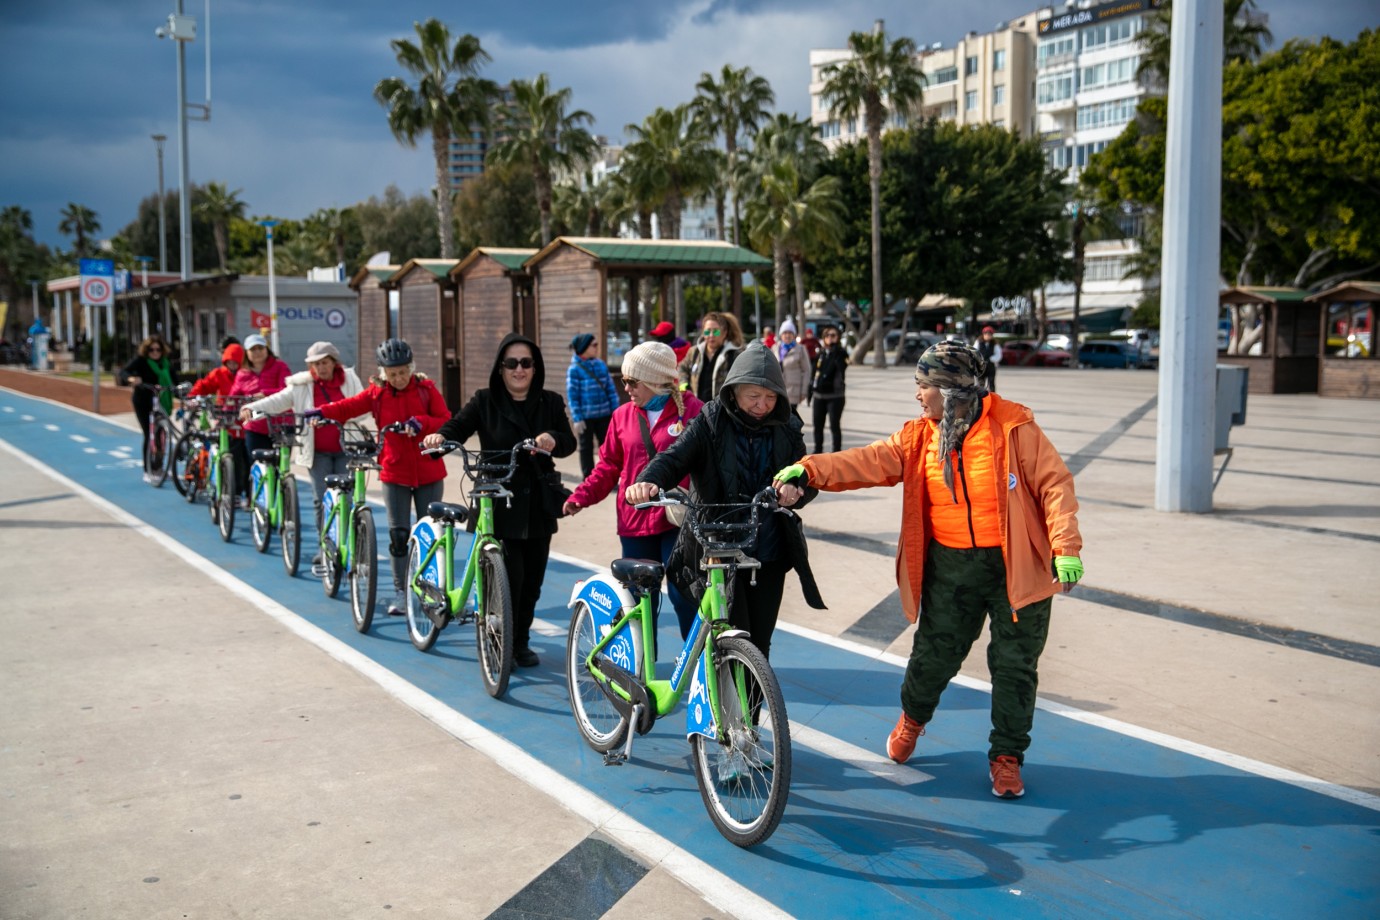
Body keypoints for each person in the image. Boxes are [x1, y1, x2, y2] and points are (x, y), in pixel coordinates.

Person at [774, 341, 1084, 800]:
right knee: (934, 657)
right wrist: (809, 469)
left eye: (923, 385)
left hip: (1018, 567)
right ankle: (913, 718)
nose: (918, 395)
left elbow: (1054, 483)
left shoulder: (1014, 427)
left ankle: (1007, 757)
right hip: (952, 566)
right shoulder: (920, 436)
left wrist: (1065, 546)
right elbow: (868, 460)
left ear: (949, 387)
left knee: (1016, 667)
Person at [626, 342, 825, 662]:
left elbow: (806, 471)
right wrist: (648, 481)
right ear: (734, 391)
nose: (763, 405)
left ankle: (753, 712)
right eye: (753, 397)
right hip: (717, 546)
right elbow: (674, 458)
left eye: (771, 397)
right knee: (733, 634)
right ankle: (726, 708)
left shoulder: (787, 425)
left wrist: (796, 487)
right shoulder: (711, 419)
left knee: (759, 645)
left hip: (769, 550)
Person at [423, 334, 576, 668]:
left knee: (533, 580)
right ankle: (500, 637)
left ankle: (519, 641)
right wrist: (441, 437)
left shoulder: (550, 402)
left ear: (535, 368)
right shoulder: (484, 400)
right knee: (511, 578)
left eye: (526, 363)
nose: (519, 370)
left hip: (537, 500)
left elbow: (569, 443)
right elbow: (457, 427)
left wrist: (553, 439)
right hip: (496, 499)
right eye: (512, 364)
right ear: (501, 368)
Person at [563, 342, 705, 640]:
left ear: (654, 380)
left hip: (677, 520)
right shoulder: (622, 416)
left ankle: (699, 671)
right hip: (635, 522)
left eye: (631, 381)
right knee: (640, 603)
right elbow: (608, 466)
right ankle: (641, 672)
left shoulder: (694, 411)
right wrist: (581, 497)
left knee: (685, 596)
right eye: (623, 380)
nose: (624, 387)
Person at [311, 339, 450, 616]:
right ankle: (401, 592)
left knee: (431, 536)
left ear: (411, 368)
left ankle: (433, 590)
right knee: (399, 536)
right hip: (394, 472)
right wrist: (321, 412)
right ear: (383, 373)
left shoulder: (426, 389)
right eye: (392, 373)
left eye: (402, 372)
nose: (398, 378)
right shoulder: (377, 394)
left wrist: (421, 422)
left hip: (429, 472)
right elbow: (348, 406)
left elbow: (446, 418)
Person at [239, 341, 366, 563]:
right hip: (317, 452)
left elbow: (363, 406)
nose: (321, 368)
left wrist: (339, 415)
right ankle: (325, 545)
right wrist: (253, 408)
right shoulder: (302, 385)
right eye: (316, 364)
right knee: (322, 499)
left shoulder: (350, 379)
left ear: (334, 363)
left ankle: (347, 544)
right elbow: (278, 400)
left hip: (347, 448)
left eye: (325, 362)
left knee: (346, 500)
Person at [188, 342, 250, 502]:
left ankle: (245, 491)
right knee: (232, 455)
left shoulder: (246, 374)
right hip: (227, 420)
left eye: (236, 362)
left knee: (246, 459)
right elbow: (204, 385)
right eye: (229, 362)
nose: (233, 365)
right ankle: (232, 490)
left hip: (246, 421)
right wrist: (193, 396)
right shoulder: (219, 374)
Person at [116, 334, 178, 475]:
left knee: (161, 434)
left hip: (162, 401)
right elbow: (123, 372)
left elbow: (175, 381)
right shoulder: (141, 361)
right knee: (149, 433)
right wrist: (131, 378)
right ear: (146, 350)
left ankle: (159, 466)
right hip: (143, 401)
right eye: (151, 350)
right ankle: (148, 469)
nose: (155, 353)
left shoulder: (165, 363)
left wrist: (183, 392)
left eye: (158, 350)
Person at [565, 332, 621, 479]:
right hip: (585, 418)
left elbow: (611, 390)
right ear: (584, 347)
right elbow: (573, 396)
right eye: (594, 345)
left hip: (604, 415)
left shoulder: (601, 365)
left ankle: (609, 477)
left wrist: (616, 413)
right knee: (586, 449)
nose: (597, 347)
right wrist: (577, 418)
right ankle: (589, 479)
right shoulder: (574, 369)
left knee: (607, 448)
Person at [228, 333, 292, 460]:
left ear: (266, 349)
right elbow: (233, 397)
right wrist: (225, 412)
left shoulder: (280, 366)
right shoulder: (242, 373)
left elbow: (288, 390)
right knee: (258, 466)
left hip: (282, 424)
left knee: (281, 468)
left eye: (260, 348)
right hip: (254, 427)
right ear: (246, 353)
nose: (257, 352)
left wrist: (265, 394)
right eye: (253, 349)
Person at [679, 311, 743, 405]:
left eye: (716, 331)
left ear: (724, 333)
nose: (711, 335)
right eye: (707, 331)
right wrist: (683, 384)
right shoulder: (694, 352)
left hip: (721, 412)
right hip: (696, 410)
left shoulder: (734, 355)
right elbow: (682, 368)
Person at [809, 323, 848, 453]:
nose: (830, 338)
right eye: (827, 335)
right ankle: (817, 451)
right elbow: (814, 373)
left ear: (838, 337)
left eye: (833, 335)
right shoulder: (821, 353)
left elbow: (843, 367)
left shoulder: (841, 353)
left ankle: (837, 453)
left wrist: (836, 350)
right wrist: (810, 391)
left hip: (835, 396)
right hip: (819, 396)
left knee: (834, 426)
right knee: (817, 426)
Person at [772, 318, 810, 415]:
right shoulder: (775, 348)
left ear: (794, 335)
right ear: (781, 335)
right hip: (777, 390)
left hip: (793, 390)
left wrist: (804, 392)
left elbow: (806, 371)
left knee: (790, 418)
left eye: (790, 333)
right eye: (785, 333)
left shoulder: (800, 349)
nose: (787, 335)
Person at [975, 326, 1002, 391]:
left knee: (991, 384)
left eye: (989, 334)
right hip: (981, 366)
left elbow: (999, 355)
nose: (987, 336)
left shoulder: (995, 344)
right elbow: (975, 352)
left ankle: (993, 399)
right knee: (980, 384)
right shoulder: (978, 342)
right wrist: (979, 359)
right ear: (983, 334)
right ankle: (981, 399)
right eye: (986, 334)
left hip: (991, 366)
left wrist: (991, 359)